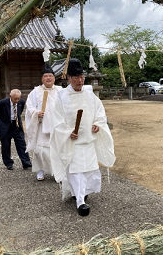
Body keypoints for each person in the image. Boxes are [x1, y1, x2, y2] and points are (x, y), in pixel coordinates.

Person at [50, 58, 115, 216]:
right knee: (77, 172)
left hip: (89, 141)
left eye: (82, 77)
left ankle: (82, 194)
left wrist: (97, 124)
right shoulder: (62, 97)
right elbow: (56, 120)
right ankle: (80, 202)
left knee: (90, 171)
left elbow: (100, 112)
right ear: (69, 78)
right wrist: (67, 133)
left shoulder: (89, 94)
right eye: (76, 78)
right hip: (74, 143)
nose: (80, 81)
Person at [25, 63, 62, 181]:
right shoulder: (35, 92)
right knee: (40, 150)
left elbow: (67, 106)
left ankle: (57, 171)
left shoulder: (61, 91)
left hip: (57, 126)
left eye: (51, 75)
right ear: (42, 78)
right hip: (41, 125)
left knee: (56, 150)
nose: (48, 78)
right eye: (46, 76)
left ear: (54, 78)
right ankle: (40, 170)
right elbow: (29, 106)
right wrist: (36, 113)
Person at [0, 89, 32, 170]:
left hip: (16, 125)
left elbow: (20, 112)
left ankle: (26, 162)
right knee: (5, 146)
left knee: (21, 144)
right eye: (15, 98)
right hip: (5, 126)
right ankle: (8, 163)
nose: (17, 100)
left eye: (18, 98)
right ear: (10, 96)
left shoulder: (21, 102)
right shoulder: (2, 103)